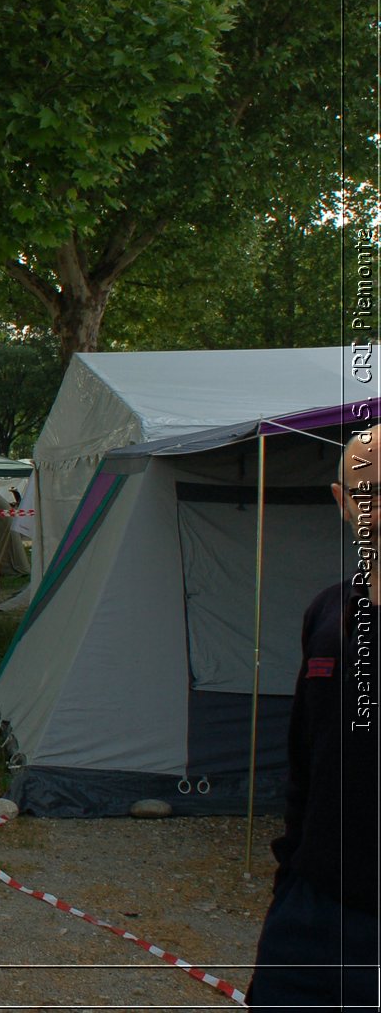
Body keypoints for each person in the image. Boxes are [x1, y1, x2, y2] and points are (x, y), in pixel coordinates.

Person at [248, 425, 381, 1009]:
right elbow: (304, 759)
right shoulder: (328, 614)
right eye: (367, 492)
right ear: (343, 504)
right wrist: (291, 879)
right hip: (312, 911)